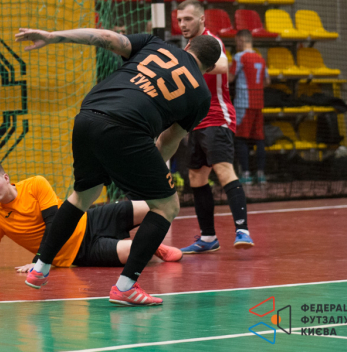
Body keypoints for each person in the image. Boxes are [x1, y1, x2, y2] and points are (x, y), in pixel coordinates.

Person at [15, 26, 220, 306]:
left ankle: (40, 267)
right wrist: (146, 171)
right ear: (210, 68)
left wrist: (53, 36)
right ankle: (125, 286)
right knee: (167, 206)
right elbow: (168, 140)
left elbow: (107, 38)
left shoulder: (154, 43)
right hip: (127, 127)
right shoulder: (202, 95)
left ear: (188, 45)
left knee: (83, 195)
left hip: (88, 115)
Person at [0, 162, 183, 273]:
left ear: (6, 178)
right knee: (135, 253)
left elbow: (54, 222)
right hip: (80, 252)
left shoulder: (35, 184)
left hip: (90, 219)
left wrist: (40, 259)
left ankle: (148, 240)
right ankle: (152, 245)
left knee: (155, 206)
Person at [176, 0, 254, 253]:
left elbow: (222, 65)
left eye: (188, 19)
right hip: (197, 121)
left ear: (201, 19)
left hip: (218, 117)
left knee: (223, 169)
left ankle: (242, 230)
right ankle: (208, 238)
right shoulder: (188, 47)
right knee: (196, 177)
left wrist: (188, 64)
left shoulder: (211, 41)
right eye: (179, 20)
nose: (183, 24)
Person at [228, 29, 270, 185]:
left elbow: (230, 78)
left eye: (236, 41)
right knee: (259, 139)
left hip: (243, 103)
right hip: (258, 103)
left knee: (240, 138)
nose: (236, 44)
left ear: (241, 40)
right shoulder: (260, 58)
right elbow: (267, 81)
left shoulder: (239, 57)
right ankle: (261, 174)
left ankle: (245, 174)